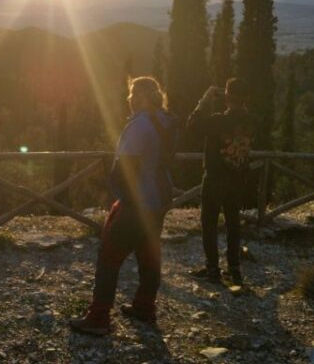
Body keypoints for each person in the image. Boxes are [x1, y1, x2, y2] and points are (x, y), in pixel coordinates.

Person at [70, 76, 177, 336]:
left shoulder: (139, 126)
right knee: (149, 253)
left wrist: (121, 196)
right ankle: (144, 307)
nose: (128, 100)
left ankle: (98, 318)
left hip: (138, 202)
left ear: (139, 98)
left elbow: (124, 169)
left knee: (109, 256)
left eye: (130, 95)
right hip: (160, 198)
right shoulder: (166, 121)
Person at [187, 77, 254, 286]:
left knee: (209, 223)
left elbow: (192, 125)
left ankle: (213, 270)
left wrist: (205, 99)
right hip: (238, 178)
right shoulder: (251, 121)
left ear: (226, 96)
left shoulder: (217, 121)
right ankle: (234, 269)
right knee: (233, 222)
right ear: (245, 98)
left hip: (215, 177)